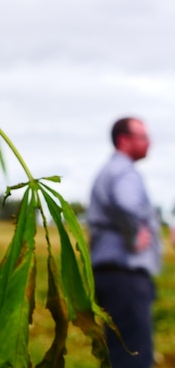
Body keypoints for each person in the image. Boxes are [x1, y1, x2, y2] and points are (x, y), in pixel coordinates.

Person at [87, 117, 159, 368]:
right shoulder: (124, 171)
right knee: (134, 355)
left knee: (119, 351)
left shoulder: (110, 169)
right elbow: (126, 203)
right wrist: (134, 237)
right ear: (124, 140)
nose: (149, 143)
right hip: (125, 273)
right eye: (143, 137)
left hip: (110, 273)